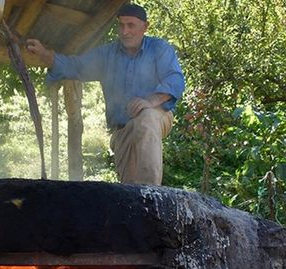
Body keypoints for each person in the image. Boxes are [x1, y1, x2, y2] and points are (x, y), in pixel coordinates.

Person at [26, 3, 185, 185]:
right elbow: (75, 66)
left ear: (145, 27)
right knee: (129, 191)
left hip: (157, 116)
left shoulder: (159, 49)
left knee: (147, 119)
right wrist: (45, 55)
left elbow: (175, 80)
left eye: (131, 25)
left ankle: (153, 194)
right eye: (121, 25)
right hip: (122, 130)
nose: (125, 31)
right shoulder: (106, 55)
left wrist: (150, 100)